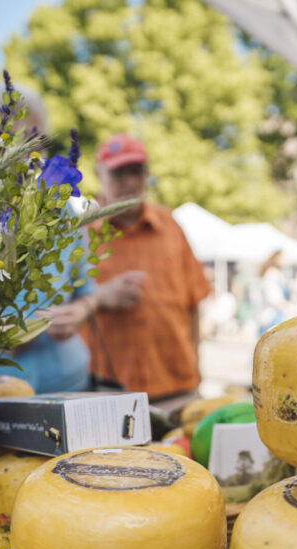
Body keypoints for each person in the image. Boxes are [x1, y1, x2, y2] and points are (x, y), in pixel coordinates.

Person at [0, 85, 97, 393]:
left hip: (67, 380)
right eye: (11, 140)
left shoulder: (61, 209)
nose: (27, 153)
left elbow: (86, 291)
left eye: (34, 141)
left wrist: (80, 313)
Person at [83, 133, 211, 408]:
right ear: (99, 175)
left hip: (178, 388)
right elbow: (57, 310)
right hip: (108, 395)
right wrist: (101, 296)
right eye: (119, 174)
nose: (129, 182)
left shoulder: (171, 226)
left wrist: (198, 372)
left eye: (136, 172)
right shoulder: (81, 234)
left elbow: (194, 303)